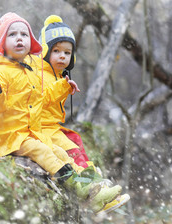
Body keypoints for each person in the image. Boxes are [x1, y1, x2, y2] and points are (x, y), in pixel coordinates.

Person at [0, 12, 121, 213]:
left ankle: (91, 191)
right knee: (43, 151)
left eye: (24, 35)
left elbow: (41, 100)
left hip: (29, 131)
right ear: (2, 42)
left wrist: (63, 87)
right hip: (8, 136)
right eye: (12, 35)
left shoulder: (30, 70)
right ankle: (79, 189)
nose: (19, 38)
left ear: (31, 41)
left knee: (61, 152)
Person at [38, 15, 130, 213]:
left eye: (67, 52)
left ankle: (98, 188)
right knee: (67, 154)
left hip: (52, 128)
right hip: (40, 130)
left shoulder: (59, 75)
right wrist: (62, 87)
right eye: (56, 51)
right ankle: (89, 192)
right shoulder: (38, 74)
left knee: (76, 144)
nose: (62, 56)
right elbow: (41, 100)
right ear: (44, 51)